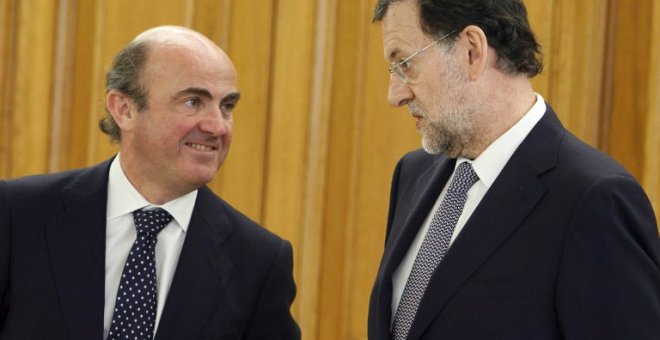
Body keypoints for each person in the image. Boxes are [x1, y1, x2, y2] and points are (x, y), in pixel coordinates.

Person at [367, 1, 660, 339]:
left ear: (472, 51)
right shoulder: (411, 175)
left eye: (405, 64)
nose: (395, 94)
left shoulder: (594, 200)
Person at [0, 26, 300, 339]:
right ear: (124, 109)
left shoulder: (258, 260)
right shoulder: (18, 214)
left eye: (227, 107)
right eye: (193, 102)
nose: (216, 126)